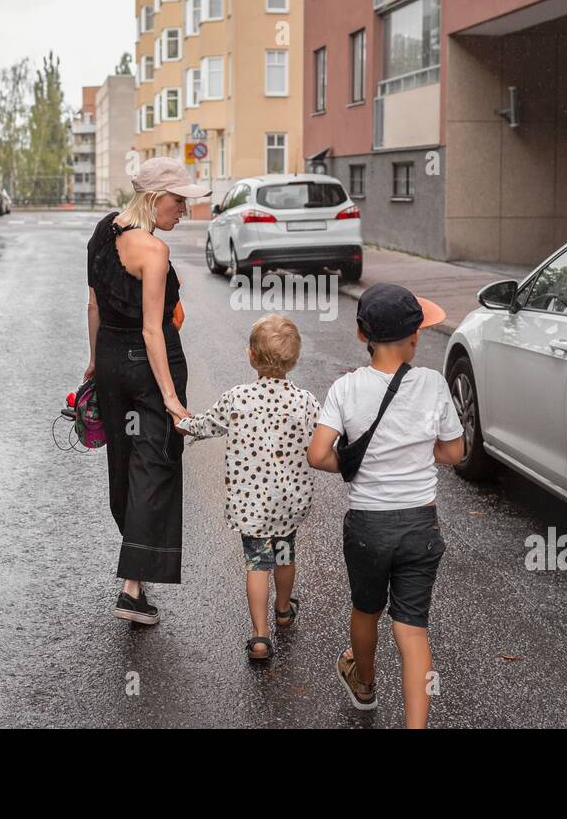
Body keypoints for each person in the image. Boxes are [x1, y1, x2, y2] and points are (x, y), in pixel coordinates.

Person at [306, 284, 465, 728]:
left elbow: (318, 455)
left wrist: (357, 459)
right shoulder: (433, 383)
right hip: (420, 524)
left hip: (368, 527)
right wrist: (416, 451)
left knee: (366, 609)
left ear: (362, 335)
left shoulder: (345, 388)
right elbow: (455, 452)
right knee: (412, 629)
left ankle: (365, 686)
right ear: (416, 337)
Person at [85, 157, 210, 624]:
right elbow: (154, 331)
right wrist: (173, 401)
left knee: (124, 462)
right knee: (154, 466)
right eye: (179, 202)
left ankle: (134, 577)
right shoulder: (154, 252)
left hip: (113, 362)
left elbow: (93, 302)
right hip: (150, 364)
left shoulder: (103, 231)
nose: (184, 210)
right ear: (155, 199)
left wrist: (96, 362)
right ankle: (132, 589)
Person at [176, 314, 320, 661]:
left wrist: (181, 422)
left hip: (252, 504)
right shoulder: (305, 402)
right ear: (294, 359)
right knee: (285, 554)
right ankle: (283, 610)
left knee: (258, 565)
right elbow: (324, 438)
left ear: (251, 356)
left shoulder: (237, 398)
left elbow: (204, 426)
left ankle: (260, 636)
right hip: (288, 501)